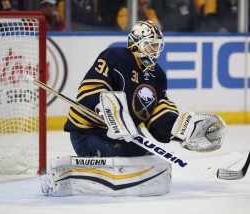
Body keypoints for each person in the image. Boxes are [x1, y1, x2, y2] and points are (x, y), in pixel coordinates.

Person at [41, 20, 227, 197]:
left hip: (128, 134)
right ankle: (68, 176)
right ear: (137, 43)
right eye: (151, 44)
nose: (155, 50)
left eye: (157, 45)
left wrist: (181, 129)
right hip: (90, 132)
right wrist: (105, 108)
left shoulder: (157, 75)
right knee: (125, 164)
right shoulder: (114, 57)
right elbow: (89, 89)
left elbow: (157, 114)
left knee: (150, 164)